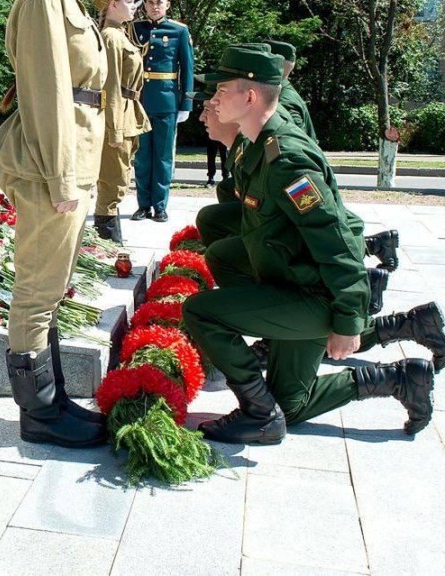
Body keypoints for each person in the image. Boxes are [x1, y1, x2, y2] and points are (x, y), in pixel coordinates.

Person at [180, 46, 441, 444]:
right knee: (224, 255)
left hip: (316, 294)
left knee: (203, 315)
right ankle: (398, 369)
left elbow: (336, 241)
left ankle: (262, 413)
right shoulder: (257, 143)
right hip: (290, 280)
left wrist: (348, 320)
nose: (213, 100)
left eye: (222, 91)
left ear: (250, 97)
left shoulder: (287, 161)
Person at [0, 0, 107, 448]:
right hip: (52, 165)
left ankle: (54, 401)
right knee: (37, 289)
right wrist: (63, 178)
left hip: (72, 158)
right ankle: (39, 415)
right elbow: (49, 93)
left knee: (50, 287)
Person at [130, 0, 194, 222]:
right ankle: (143, 205)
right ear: (143, 5)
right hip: (140, 100)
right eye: (150, 2)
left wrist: (186, 104)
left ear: (168, 5)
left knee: (164, 156)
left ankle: (160, 205)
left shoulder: (179, 30)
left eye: (160, 2)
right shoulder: (133, 29)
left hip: (167, 101)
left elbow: (187, 68)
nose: (155, 6)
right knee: (142, 156)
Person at [92, 0, 150, 244]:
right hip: (118, 115)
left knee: (119, 179)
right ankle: (107, 242)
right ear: (113, 4)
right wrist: (114, 130)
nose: (135, 6)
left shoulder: (118, 34)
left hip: (128, 111)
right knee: (113, 181)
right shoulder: (112, 37)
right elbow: (111, 86)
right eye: (129, 1)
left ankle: (109, 240)